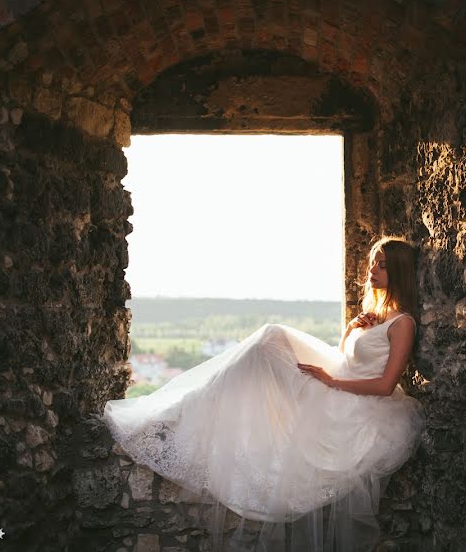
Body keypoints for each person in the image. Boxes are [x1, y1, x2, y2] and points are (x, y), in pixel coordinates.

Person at [101, 236, 426, 552]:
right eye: (372, 263)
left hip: (356, 400)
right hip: (338, 376)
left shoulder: (403, 324)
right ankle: (192, 406)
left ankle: (188, 412)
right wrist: (353, 329)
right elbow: (348, 357)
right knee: (270, 338)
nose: (372, 270)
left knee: (269, 354)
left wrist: (330, 382)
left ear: (397, 271)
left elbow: (384, 386)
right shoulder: (373, 316)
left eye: (381, 266)